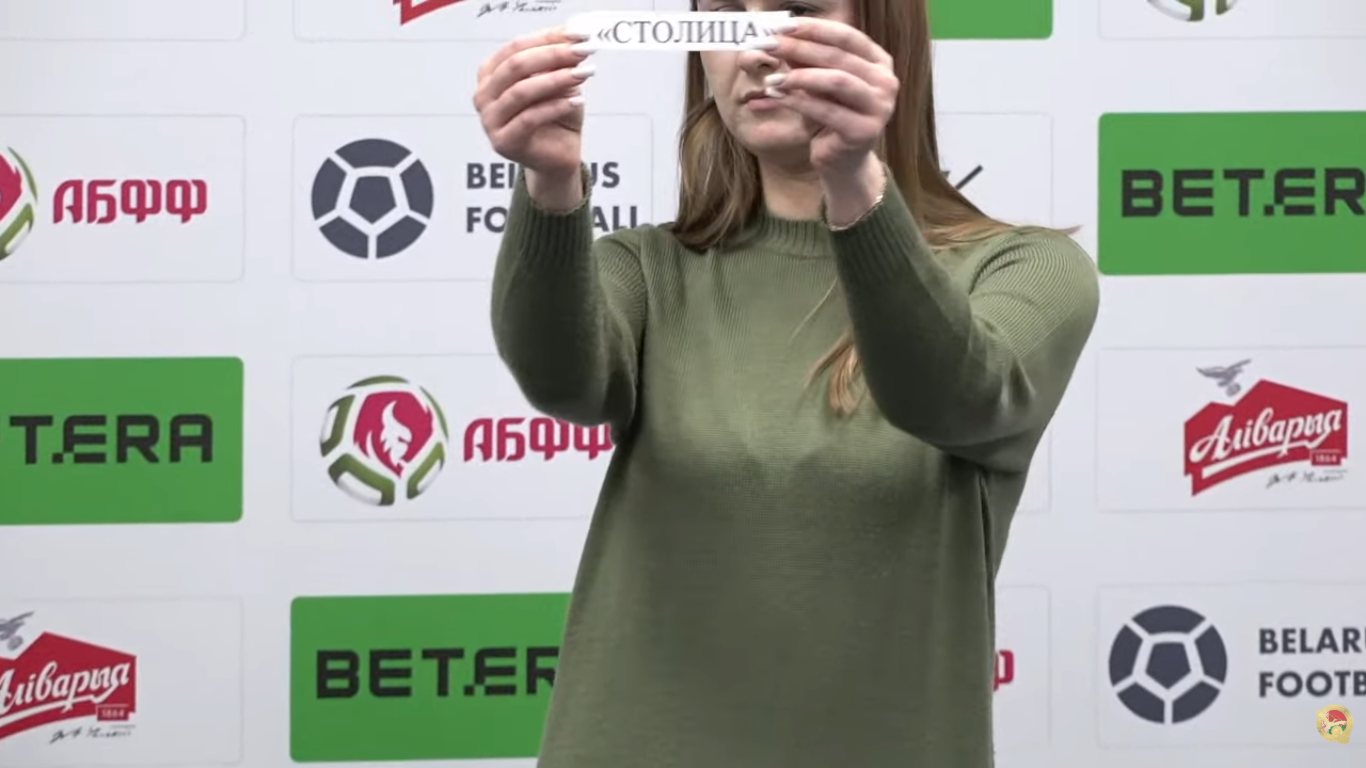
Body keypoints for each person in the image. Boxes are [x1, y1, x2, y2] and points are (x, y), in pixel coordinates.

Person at [473, 0, 1099, 764]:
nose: (755, 48)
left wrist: (855, 184)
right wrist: (549, 184)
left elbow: (953, 394)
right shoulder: (647, 269)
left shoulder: (1023, 271)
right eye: (724, 16)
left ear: (883, 31)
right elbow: (560, 380)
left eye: (796, 11)